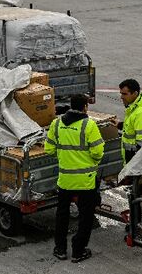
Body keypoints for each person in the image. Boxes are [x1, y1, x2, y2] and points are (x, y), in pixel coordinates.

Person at [44, 94, 104, 263]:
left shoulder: (56, 124)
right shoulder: (89, 125)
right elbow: (98, 152)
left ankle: (60, 249)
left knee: (62, 215)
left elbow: (49, 150)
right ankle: (78, 251)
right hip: (86, 181)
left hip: (65, 180)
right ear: (85, 106)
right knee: (85, 217)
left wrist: (65, 157)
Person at [119, 79, 142, 165]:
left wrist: (134, 169)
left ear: (135, 94)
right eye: (121, 93)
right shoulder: (134, 107)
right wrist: (119, 125)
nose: (121, 97)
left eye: (124, 94)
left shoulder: (141, 113)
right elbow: (133, 128)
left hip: (137, 164)